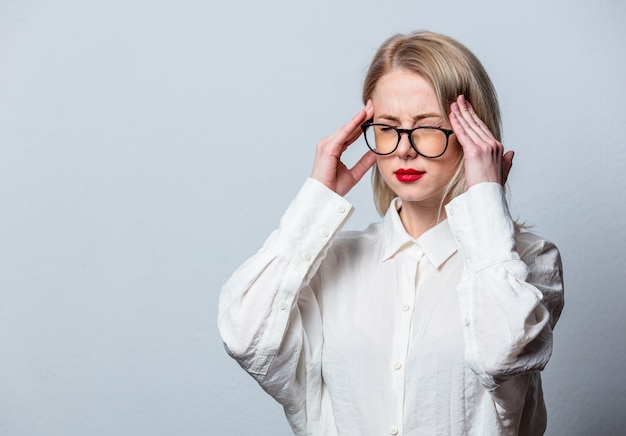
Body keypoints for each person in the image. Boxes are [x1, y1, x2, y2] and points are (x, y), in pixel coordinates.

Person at [218, 30, 564, 436]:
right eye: (387, 127)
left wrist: (485, 198)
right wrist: (315, 202)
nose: (404, 149)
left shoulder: (527, 261)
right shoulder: (331, 262)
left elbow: (502, 355)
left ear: (475, 136)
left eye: (427, 126)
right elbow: (244, 336)